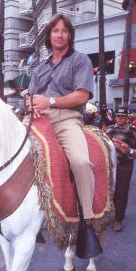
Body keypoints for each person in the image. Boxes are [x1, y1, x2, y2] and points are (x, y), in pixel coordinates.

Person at [26, 13, 95, 223]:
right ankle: (7, 211)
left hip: (66, 118)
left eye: (64, 30)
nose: (60, 34)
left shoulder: (80, 60)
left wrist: (51, 102)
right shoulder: (41, 67)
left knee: (81, 162)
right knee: (10, 151)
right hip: (38, 118)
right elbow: (29, 96)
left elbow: (82, 95)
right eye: (55, 30)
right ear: (49, 36)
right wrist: (30, 104)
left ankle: (87, 218)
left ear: (70, 36)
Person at [105, 107, 136, 232]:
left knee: (121, 192)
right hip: (110, 165)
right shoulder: (109, 130)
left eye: (123, 116)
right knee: (108, 191)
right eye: (118, 116)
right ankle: (108, 216)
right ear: (115, 117)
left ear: (127, 118)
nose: (120, 118)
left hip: (124, 165)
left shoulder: (133, 131)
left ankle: (118, 219)